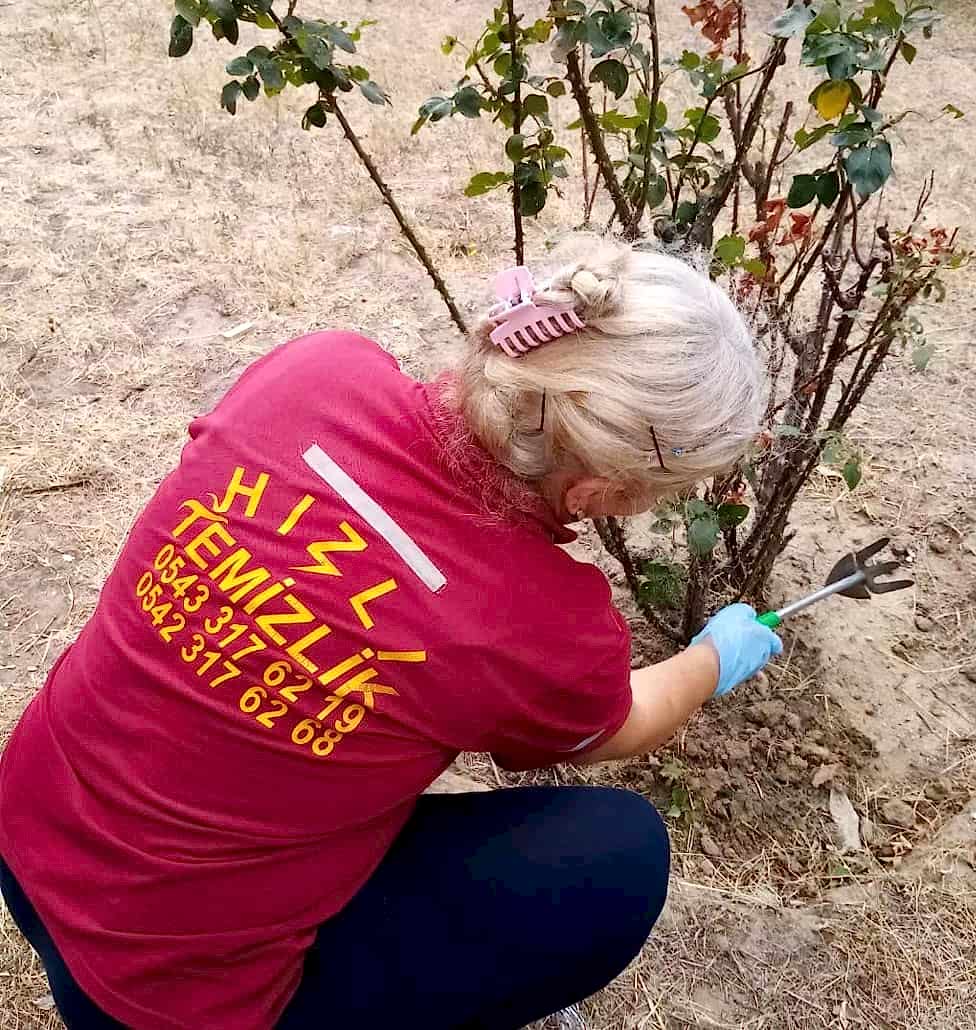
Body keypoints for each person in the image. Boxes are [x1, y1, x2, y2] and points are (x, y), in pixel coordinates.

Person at [0, 236, 782, 1030]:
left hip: (29, 834)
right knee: (618, 855)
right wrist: (713, 658)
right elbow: (628, 719)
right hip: (166, 1002)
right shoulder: (539, 620)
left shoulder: (317, 370)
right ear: (597, 492)